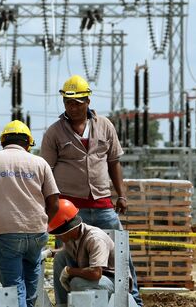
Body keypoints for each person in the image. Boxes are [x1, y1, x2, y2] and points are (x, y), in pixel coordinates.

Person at [40, 75, 142, 306]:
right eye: (68, 103)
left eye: (77, 102)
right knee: (65, 256)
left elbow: (114, 161)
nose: (72, 107)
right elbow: (45, 170)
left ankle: (133, 299)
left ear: (88, 100)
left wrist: (121, 194)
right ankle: (65, 302)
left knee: (121, 253)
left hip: (102, 203)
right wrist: (48, 205)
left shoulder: (105, 125)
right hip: (68, 209)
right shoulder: (55, 132)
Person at [0, 120, 60, 307]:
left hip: (5, 232)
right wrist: (42, 223)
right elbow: (54, 204)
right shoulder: (40, 163)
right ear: (28, 143)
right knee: (30, 286)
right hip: (36, 232)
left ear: (2, 142)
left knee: (14, 287)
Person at [50, 199, 118, 307]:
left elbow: (96, 273)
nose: (57, 236)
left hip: (112, 281)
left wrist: (70, 271)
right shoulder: (73, 236)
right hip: (95, 276)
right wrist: (50, 253)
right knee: (60, 257)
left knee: (76, 282)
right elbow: (64, 252)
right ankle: (62, 305)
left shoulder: (95, 239)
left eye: (58, 233)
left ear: (68, 229)